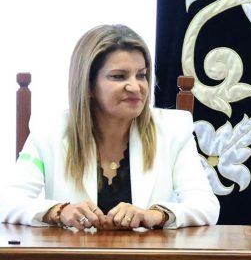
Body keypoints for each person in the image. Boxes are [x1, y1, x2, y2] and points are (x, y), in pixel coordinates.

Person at [0, 24, 219, 229]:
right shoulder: (49, 131)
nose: (136, 87)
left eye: (141, 75)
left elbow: (206, 206)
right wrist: (59, 211)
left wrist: (155, 214)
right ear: (88, 85)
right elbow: (8, 202)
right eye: (118, 76)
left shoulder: (173, 129)